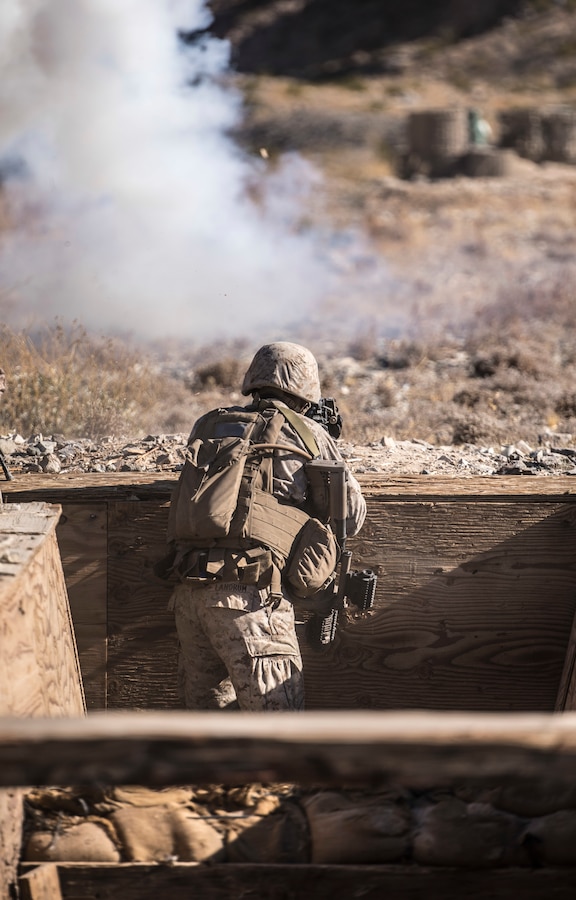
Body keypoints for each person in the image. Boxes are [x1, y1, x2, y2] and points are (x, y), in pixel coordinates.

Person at [166, 341, 366, 712]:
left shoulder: (209, 424)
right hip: (251, 601)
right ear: (307, 392)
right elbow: (351, 516)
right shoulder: (307, 432)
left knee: (205, 735)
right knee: (278, 733)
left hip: (189, 595)